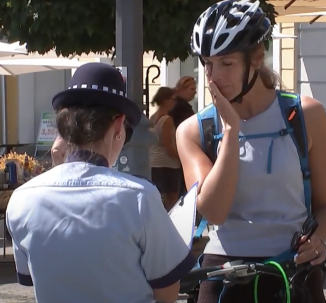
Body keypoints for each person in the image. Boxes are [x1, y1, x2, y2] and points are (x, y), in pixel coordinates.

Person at [177, 1, 326, 302]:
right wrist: (230, 130)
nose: (213, 77)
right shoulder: (193, 130)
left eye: (226, 63)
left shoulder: (305, 114)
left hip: (292, 268)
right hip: (223, 272)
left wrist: (318, 239)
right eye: (207, 63)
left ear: (255, 58)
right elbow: (213, 211)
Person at [6, 63, 196, 303]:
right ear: (118, 125)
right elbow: (167, 292)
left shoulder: (22, 199)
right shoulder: (139, 197)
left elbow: (31, 276)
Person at [150, 86, 183, 210]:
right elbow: (169, 146)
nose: (175, 102)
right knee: (171, 200)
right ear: (165, 100)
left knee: (158, 199)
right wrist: (182, 159)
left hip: (154, 164)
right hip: (168, 165)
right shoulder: (167, 120)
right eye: (173, 99)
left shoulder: (153, 118)